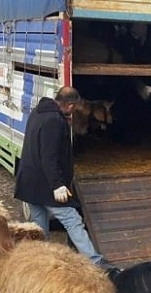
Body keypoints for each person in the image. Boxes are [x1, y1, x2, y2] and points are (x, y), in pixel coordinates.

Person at [14, 87, 112, 267]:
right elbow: (49, 157)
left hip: (29, 182)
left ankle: (41, 262)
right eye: (75, 107)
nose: (74, 111)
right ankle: (95, 262)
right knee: (72, 219)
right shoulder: (54, 121)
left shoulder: (38, 112)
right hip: (45, 184)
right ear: (70, 105)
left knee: (39, 226)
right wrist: (57, 185)